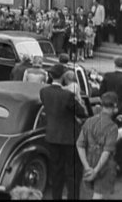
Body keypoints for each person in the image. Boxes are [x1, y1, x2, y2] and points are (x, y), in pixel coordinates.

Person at [40, 64, 88, 200]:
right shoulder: (68, 95)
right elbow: (82, 112)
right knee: (72, 172)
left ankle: (56, 196)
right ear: (63, 77)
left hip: (52, 135)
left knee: (56, 171)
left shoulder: (44, 92)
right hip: (69, 137)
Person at [77, 92, 120, 200]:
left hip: (89, 158)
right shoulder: (112, 127)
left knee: (88, 193)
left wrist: (87, 167)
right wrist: (95, 170)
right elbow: (107, 151)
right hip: (103, 164)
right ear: (114, 106)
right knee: (98, 194)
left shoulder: (89, 121)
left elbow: (80, 145)